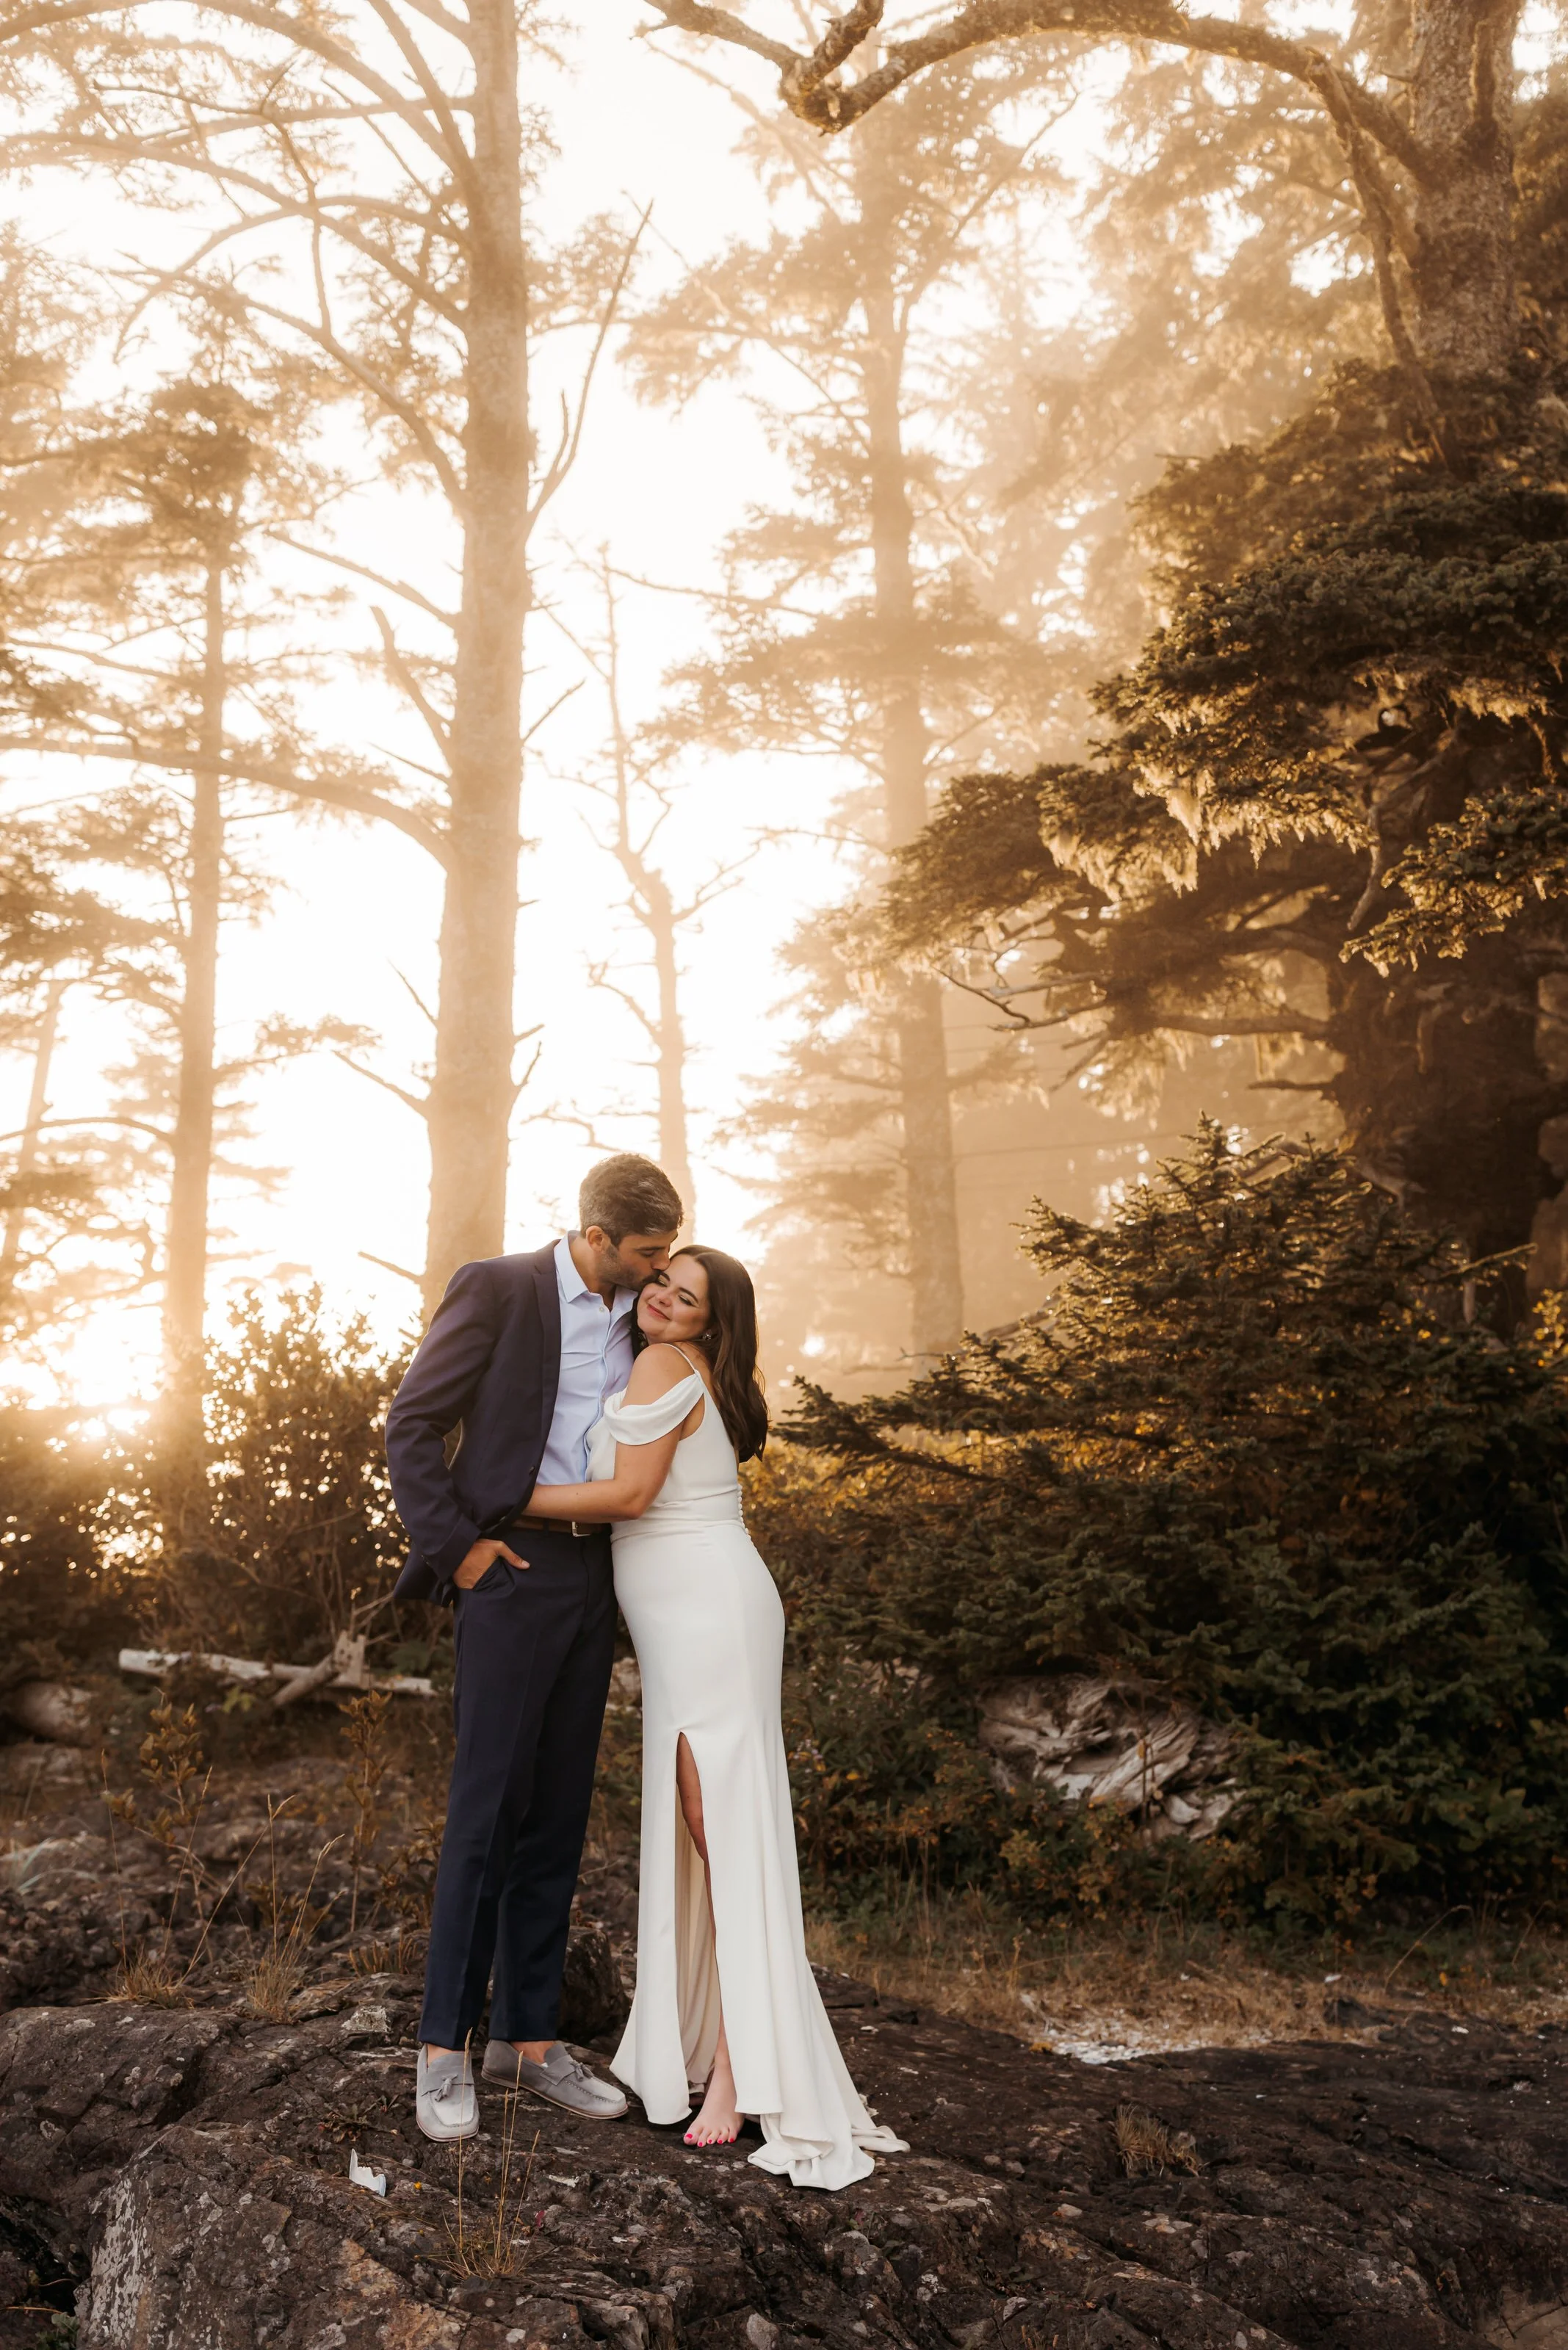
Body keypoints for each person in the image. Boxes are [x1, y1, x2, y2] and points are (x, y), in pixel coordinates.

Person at [521, 1244, 906, 2191]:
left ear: (708, 1322)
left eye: (684, 1296)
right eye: (660, 1280)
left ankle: (737, 2069)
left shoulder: (662, 1363)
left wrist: (502, 1499)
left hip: (707, 1612)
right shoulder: (689, 1368)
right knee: (711, 1833)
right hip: (699, 1609)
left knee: (717, 1833)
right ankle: (716, 2045)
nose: (659, 1297)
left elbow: (628, 1495)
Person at [384, 1153, 682, 2143]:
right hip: (508, 1576)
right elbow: (413, 1423)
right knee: (486, 1813)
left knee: (557, 1816)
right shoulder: (500, 1288)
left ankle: (530, 2039)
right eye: (647, 1252)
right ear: (596, 1236)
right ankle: (441, 2051)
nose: (659, 1269)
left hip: (593, 1577)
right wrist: (460, 1552)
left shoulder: (640, 1314)